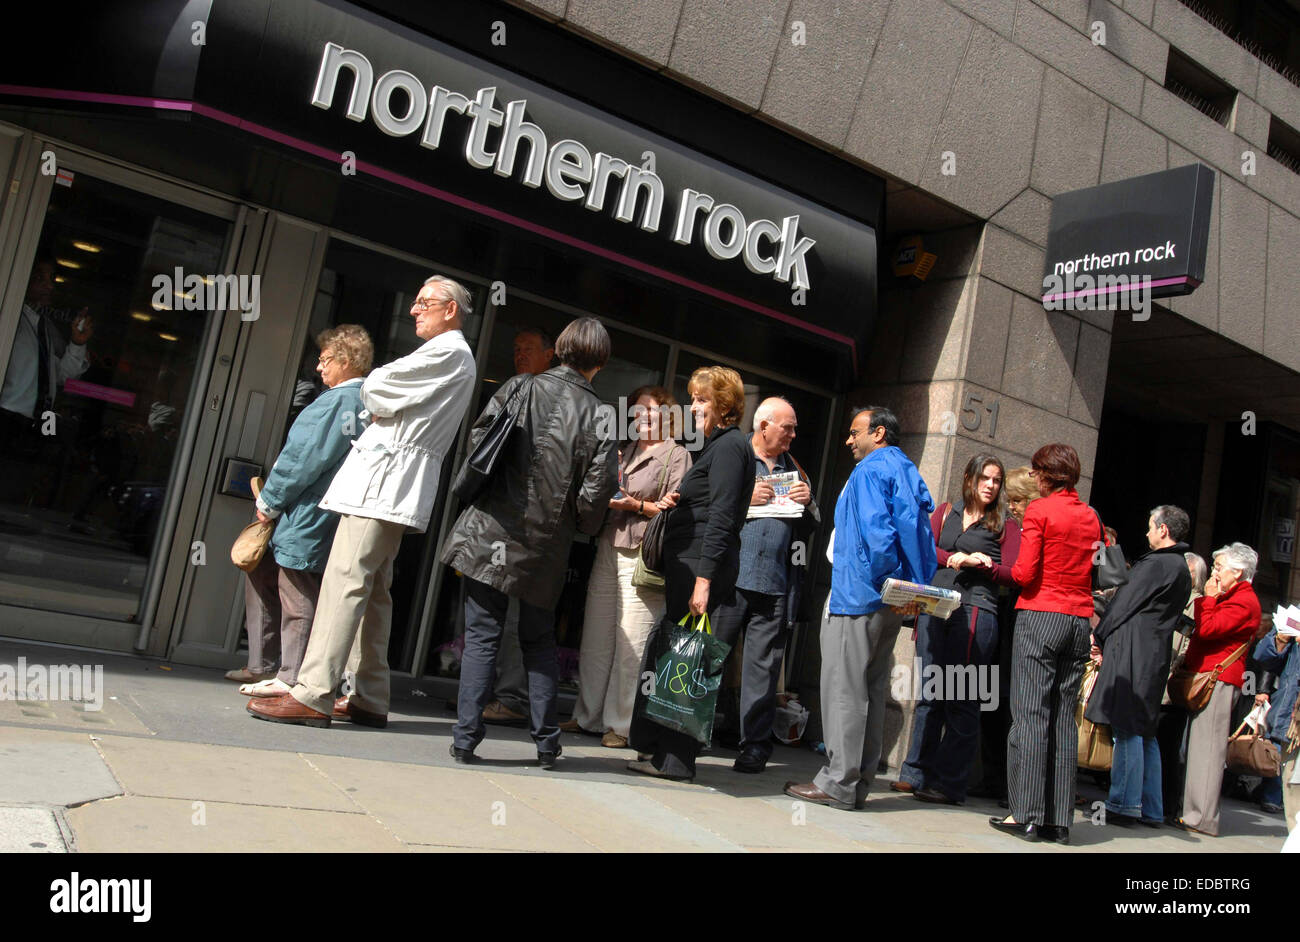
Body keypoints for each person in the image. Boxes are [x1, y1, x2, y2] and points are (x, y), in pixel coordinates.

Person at [247, 275, 477, 728]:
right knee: (373, 592)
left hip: (383, 483)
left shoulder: (448, 352)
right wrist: (381, 393)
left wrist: (378, 391)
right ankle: (370, 695)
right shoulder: (450, 354)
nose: (414, 309)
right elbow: (382, 391)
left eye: (424, 302)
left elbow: (377, 387)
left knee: (346, 583)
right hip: (389, 482)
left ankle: (313, 692)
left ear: (450, 310)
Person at [442, 317, 617, 767]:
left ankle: (465, 740)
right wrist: (581, 523)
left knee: (482, 635)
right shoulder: (601, 415)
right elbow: (594, 496)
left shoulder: (521, 388)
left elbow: (479, 442)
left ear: (560, 349)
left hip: (491, 529)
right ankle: (546, 744)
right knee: (538, 641)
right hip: (546, 545)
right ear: (600, 362)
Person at [784, 406, 936, 809]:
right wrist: (911, 592)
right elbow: (920, 535)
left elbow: (879, 537)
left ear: (879, 433)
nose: (849, 440)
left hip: (859, 594)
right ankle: (857, 782)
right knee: (868, 688)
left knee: (844, 690)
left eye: (855, 433)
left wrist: (886, 582)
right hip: (891, 601)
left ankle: (838, 782)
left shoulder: (869, 471)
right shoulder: (906, 470)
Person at [227, 326, 372, 694]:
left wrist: (270, 500)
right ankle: (264, 665)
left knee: (296, 588)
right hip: (317, 510)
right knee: (263, 571)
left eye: (324, 360)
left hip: (306, 511)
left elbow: (303, 459)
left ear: (344, 361)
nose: (319, 368)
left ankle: (289, 675)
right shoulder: (365, 402)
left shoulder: (339, 402)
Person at [626, 366, 755, 781]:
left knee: (688, 659)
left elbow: (721, 516)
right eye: (694, 399)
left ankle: (677, 759)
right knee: (676, 654)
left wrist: (703, 580)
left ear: (722, 404)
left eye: (701, 400)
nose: (693, 406)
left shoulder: (732, 447)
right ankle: (661, 751)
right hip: (695, 564)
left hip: (703, 568)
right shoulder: (719, 447)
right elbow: (712, 504)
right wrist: (680, 500)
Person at [567, 386, 689, 747]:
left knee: (631, 644)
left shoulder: (677, 455)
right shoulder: (626, 449)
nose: (641, 417)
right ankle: (586, 715)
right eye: (636, 411)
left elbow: (675, 514)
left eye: (649, 411)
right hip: (609, 543)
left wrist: (635, 505)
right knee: (596, 638)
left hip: (643, 554)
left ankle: (620, 726)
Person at [897, 454, 1020, 804]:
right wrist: (952, 558)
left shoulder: (1005, 525)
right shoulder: (947, 511)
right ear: (969, 478)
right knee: (930, 694)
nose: (990, 485)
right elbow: (924, 545)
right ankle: (914, 772)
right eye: (985, 478)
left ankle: (949, 784)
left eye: (996, 480)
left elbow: (1015, 572)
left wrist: (986, 566)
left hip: (976, 610)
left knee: (962, 697)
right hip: (935, 604)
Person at [990, 443, 1096, 845]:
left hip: (1041, 613)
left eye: (1036, 472)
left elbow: (1024, 572)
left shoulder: (1039, 511)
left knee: (1030, 715)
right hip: (1078, 620)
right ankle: (1059, 820)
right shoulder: (1090, 516)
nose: (1032, 477)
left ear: (1047, 474)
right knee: (1063, 719)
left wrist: (994, 567)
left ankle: (1027, 815)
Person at [709, 397, 819, 774]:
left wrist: (808, 502)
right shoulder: (735, 455)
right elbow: (705, 503)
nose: (792, 434)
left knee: (763, 672)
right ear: (764, 426)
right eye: (787, 427)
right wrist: (746, 498)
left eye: (793, 428)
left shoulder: (796, 470)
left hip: (773, 585)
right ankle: (689, 733)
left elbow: (812, 525)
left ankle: (754, 747)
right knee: (709, 658)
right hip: (730, 579)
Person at [1084, 505, 1193, 828]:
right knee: (1145, 732)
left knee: (1127, 728)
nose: (1146, 533)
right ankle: (1151, 806)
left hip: (1133, 652)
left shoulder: (1158, 564)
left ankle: (1125, 803)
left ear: (1163, 530)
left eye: (1150, 527)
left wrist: (1099, 635)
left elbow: (1123, 603)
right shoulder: (1180, 567)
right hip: (1152, 653)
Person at [481, 326, 560, 727]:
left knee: (515, 620)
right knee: (498, 618)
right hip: (509, 525)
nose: (519, 355)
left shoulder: (550, 398)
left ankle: (511, 697)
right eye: (515, 348)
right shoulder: (516, 391)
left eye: (528, 348)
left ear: (551, 355)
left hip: (526, 530)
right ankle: (496, 694)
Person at [1174, 542, 1262, 836]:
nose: (1214, 573)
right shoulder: (1234, 596)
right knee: (1199, 749)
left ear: (1237, 572)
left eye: (1220, 567)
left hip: (1219, 679)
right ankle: (1192, 812)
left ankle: (1201, 817)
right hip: (1210, 676)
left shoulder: (1244, 601)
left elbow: (1210, 629)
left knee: (1208, 752)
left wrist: (1208, 599)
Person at [0, 256, 92, 436]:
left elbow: (61, 376)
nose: (49, 287)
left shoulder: (44, 328)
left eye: (51, 279)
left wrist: (77, 343)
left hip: (30, 426)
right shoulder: (9, 319)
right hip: (6, 418)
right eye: (40, 279)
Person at [1155, 551, 1207, 818]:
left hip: (1173, 682)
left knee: (1169, 744)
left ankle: (1167, 805)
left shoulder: (1197, 603)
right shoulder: (1171, 597)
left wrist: (1177, 668)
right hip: (1158, 676)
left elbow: (1189, 643)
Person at [1252, 619, 1299, 828]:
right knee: (1291, 783)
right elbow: (1264, 658)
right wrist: (1280, 639)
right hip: (1292, 718)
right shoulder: (1294, 618)